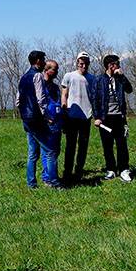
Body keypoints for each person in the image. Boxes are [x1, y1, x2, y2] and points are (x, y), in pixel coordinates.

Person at [16, 50, 59, 189]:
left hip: (26, 120)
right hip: (36, 119)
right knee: (50, 151)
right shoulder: (37, 76)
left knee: (32, 154)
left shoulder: (23, 77)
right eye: (43, 60)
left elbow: (18, 100)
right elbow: (41, 100)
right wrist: (48, 117)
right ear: (38, 61)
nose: (45, 62)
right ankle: (53, 182)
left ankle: (31, 183)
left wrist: (24, 114)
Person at [91, 54, 133, 182]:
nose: (119, 66)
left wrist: (122, 76)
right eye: (117, 64)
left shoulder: (120, 79)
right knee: (107, 145)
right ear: (111, 65)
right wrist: (96, 117)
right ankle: (111, 170)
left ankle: (124, 170)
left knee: (122, 144)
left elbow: (129, 90)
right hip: (105, 118)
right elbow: (94, 99)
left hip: (119, 117)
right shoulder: (99, 80)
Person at [60, 51, 95, 184]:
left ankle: (79, 170)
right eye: (81, 63)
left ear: (88, 64)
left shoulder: (92, 78)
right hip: (72, 116)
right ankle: (67, 171)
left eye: (85, 63)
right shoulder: (69, 76)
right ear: (77, 63)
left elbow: (93, 97)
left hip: (86, 116)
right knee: (70, 145)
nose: (83, 66)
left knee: (83, 145)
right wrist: (64, 106)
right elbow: (64, 93)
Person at [38, 59, 64, 188]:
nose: (57, 72)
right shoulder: (40, 85)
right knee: (50, 153)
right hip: (47, 124)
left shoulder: (55, 87)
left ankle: (47, 177)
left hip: (57, 123)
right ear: (47, 70)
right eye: (55, 69)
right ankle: (53, 181)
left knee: (52, 152)